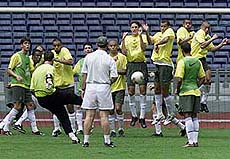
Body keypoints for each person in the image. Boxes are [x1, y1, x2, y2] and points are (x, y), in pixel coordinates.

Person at [30, 51, 82, 144]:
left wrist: (39, 97)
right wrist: (49, 86)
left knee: (62, 113)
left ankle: (73, 136)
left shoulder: (36, 70)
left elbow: (32, 88)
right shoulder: (50, 68)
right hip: (50, 95)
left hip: (41, 99)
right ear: (53, 59)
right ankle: (86, 103)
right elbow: (49, 78)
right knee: (69, 96)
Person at [81, 36, 118, 147]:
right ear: (107, 46)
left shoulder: (89, 57)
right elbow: (114, 77)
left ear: (96, 45)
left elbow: (84, 74)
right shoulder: (109, 58)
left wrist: (83, 89)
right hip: (104, 86)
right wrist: (108, 82)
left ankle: (86, 141)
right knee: (104, 115)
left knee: (89, 115)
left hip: (90, 86)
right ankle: (107, 140)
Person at [191, 21, 229, 113]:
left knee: (208, 80)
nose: (207, 30)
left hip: (202, 60)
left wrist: (221, 44)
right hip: (195, 59)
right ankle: (192, 95)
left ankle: (203, 102)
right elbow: (203, 45)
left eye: (208, 28)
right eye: (205, 28)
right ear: (202, 27)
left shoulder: (207, 36)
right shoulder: (200, 33)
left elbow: (212, 49)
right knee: (201, 80)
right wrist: (213, 38)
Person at [0, 37, 35, 135]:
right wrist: (16, 76)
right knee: (17, 106)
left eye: (28, 44)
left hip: (26, 85)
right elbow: (9, 69)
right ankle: (6, 127)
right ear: (21, 45)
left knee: (31, 105)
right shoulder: (16, 56)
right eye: (25, 43)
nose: (27, 45)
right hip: (18, 84)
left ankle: (35, 129)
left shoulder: (28, 58)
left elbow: (31, 71)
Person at [144, 20, 175, 125]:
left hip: (165, 64)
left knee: (165, 90)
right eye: (161, 26)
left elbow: (166, 40)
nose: (163, 28)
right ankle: (160, 113)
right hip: (157, 64)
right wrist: (147, 32)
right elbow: (149, 41)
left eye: (164, 26)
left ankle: (170, 114)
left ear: (168, 26)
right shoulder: (158, 34)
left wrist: (157, 43)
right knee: (157, 89)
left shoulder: (170, 32)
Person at [174, 42, 205, 147]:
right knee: (195, 116)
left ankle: (190, 141)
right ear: (190, 49)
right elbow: (203, 77)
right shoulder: (197, 61)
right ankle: (195, 141)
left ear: (182, 51)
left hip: (186, 91)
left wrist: (177, 89)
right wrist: (196, 85)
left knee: (187, 116)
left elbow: (179, 79)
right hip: (196, 91)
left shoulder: (182, 62)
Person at [121, 20, 148, 128]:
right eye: (132, 27)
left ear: (138, 28)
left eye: (136, 27)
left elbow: (144, 48)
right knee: (131, 91)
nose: (134, 29)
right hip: (131, 65)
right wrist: (123, 39)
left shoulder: (143, 36)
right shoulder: (127, 38)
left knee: (142, 91)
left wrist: (141, 36)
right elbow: (123, 52)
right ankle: (134, 115)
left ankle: (142, 117)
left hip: (141, 64)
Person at [13, 48, 44, 135]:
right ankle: (7, 124)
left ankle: (30, 127)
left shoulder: (39, 62)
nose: (38, 57)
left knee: (31, 106)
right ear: (33, 55)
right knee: (26, 106)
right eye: (37, 55)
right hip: (24, 86)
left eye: (40, 55)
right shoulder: (28, 60)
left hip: (30, 87)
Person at [51, 38, 76, 137]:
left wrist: (58, 60)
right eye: (54, 46)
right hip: (57, 84)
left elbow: (70, 61)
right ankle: (56, 128)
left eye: (58, 45)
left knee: (70, 107)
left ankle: (73, 128)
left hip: (68, 84)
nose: (56, 47)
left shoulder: (65, 51)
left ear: (61, 45)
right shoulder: (51, 53)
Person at [73, 42, 93, 134]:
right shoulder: (80, 62)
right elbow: (73, 73)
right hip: (81, 88)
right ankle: (80, 128)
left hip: (92, 88)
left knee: (90, 108)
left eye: (89, 48)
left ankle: (90, 126)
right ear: (84, 51)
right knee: (78, 107)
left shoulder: (94, 60)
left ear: (92, 50)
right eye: (86, 48)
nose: (88, 49)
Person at [108, 39, 127, 137]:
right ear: (108, 47)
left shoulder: (122, 57)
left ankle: (120, 128)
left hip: (120, 86)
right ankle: (112, 130)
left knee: (118, 108)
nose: (113, 47)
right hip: (108, 87)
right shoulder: (106, 58)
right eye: (111, 46)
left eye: (114, 46)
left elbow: (125, 71)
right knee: (110, 109)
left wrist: (114, 70)